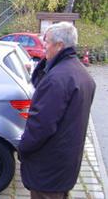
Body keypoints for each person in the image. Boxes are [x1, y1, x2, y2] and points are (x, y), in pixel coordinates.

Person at [18, 22, 96, 199]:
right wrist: (48, 60)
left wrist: (22, 149)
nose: (43, 44)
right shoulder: (80, 73)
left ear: (60, 45)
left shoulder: (57, 79)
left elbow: (41, 126)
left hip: (49, 168)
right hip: (65, 163)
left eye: (47, 41)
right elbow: (40, 84)